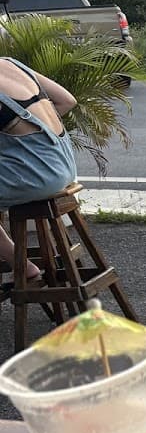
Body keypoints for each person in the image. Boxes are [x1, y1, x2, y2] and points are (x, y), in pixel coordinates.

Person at [0, 57, 79, 281]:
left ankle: (22, 266)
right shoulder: (10, 63)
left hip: (37, 176)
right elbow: (67, 101)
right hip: (64, 165)